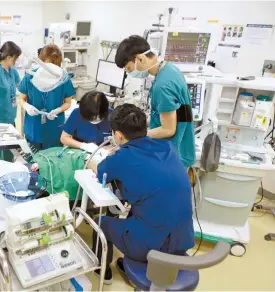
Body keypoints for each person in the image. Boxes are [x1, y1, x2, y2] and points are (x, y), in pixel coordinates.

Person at [93, 104, 194, 284]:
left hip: (152, 248)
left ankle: (102, 270)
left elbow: (100, 171)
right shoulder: (168, 148)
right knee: (144, 212)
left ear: (118, 135)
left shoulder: (121, 158)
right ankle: (132, 259)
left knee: (100, 222)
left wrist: (92, 161)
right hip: (182, 240)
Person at [115, 35, 195, 168]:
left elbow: (168, 129)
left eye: (129, 69)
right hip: (179, 149)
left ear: (140, 58)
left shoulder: (162, 86)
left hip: (172, 156)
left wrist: (136, 135)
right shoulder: (169, 69)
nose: (130, 73)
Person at [18, 44, 75, 150]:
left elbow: (68, 102)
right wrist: (27, 106)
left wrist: (58, 110)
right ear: (41, 60)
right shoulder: (31, 76)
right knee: (34, 163)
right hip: (34, 127)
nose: (52, 68)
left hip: (54, 129)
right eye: (49, 64)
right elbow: (20, 99)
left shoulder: (63, 78)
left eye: (55, 64)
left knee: (52, 162)